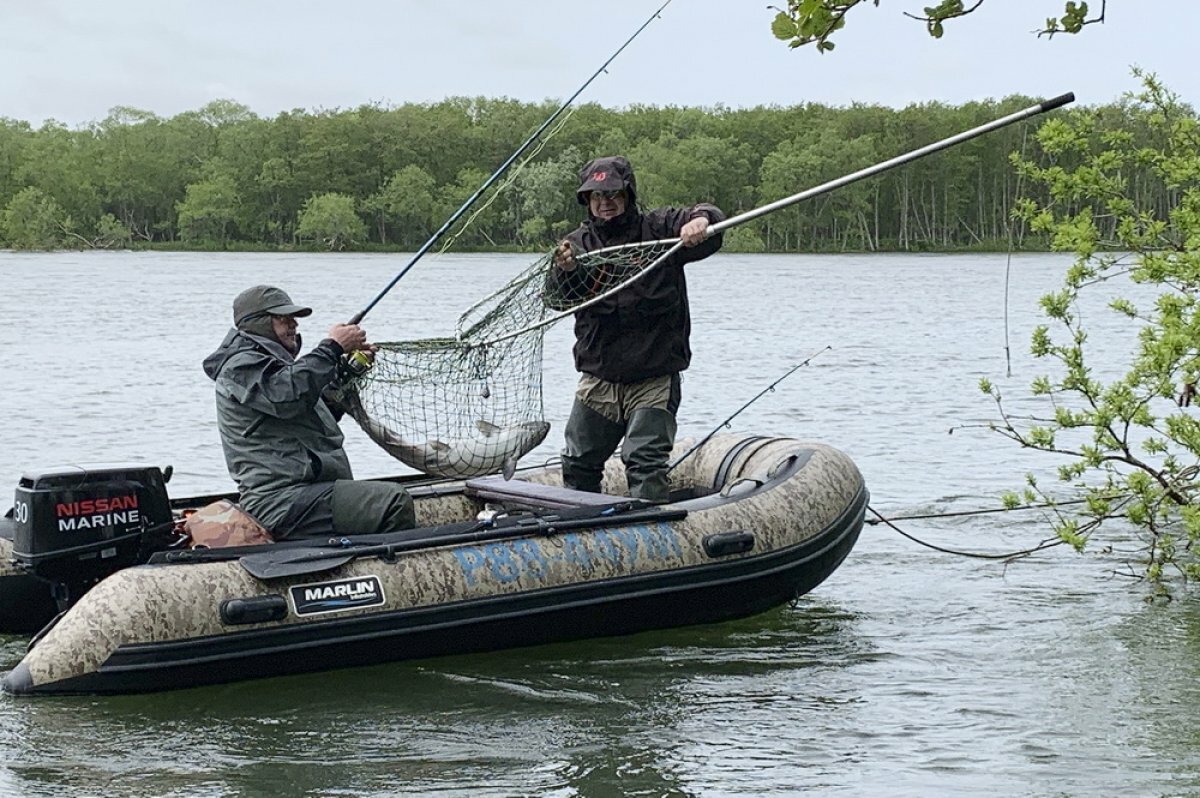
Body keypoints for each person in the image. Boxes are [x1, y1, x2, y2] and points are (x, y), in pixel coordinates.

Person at [549, 155, 725, 503]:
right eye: (596, 196)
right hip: (599, 379)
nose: (605, 203)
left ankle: (653, 536)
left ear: (628, 194)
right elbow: (557, 299)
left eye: (613, 194)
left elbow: (712, 221)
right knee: (578, 461)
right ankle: (581, 530)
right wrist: (564, 271)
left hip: (653, 377)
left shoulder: (659, 229)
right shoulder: (577, 245)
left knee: (644, 462)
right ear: (587, 201)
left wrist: (701, 221)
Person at [202, 285, 416, 539]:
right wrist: (332, 348)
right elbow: (287, 395)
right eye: (283, 318)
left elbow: (314, 411)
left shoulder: (276, 368)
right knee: (392, 501)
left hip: (308, 492)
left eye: (294, 318)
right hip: (278, 501)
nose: (293, 324)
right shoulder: (240, 365)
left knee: (381, 498)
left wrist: (348, 371)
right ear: (258, 323)